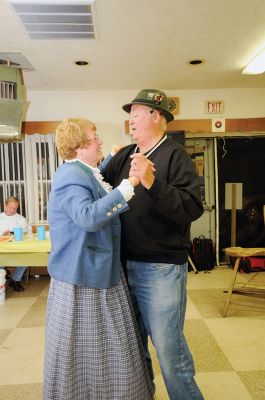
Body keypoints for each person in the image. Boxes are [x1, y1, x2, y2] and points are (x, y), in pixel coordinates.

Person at [103, 89, 205, 400]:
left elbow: (192, 208)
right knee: (134, 352)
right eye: (129, 116)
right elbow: (100, 186)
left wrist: (152, 181)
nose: (130, 121)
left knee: (170, 353)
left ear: (156, 116)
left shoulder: (175, 156)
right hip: (122, 268)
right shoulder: (124, 155)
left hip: (160, 269)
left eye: (135, 115)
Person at [43, 117, 153, 400]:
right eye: (95, 137)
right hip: (83, 276)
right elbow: (88, 217)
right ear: (79, 147)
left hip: (96, 270)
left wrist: (112, 158)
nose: (100, 141)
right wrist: (129, 185)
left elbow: (95, 181)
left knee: (101, 345)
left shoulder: (84, 171)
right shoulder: (70, 175)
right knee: (93, 345)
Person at [0, 196, 28, 291]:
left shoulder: (21, 219)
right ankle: (1, 281)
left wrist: (14, 233)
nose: (12, 210)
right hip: (2, 250)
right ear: (5, 206)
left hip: (18, 249)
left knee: (27, 258)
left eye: (15, 208)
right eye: (10, 208)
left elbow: (27, 234)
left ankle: (15, 280)